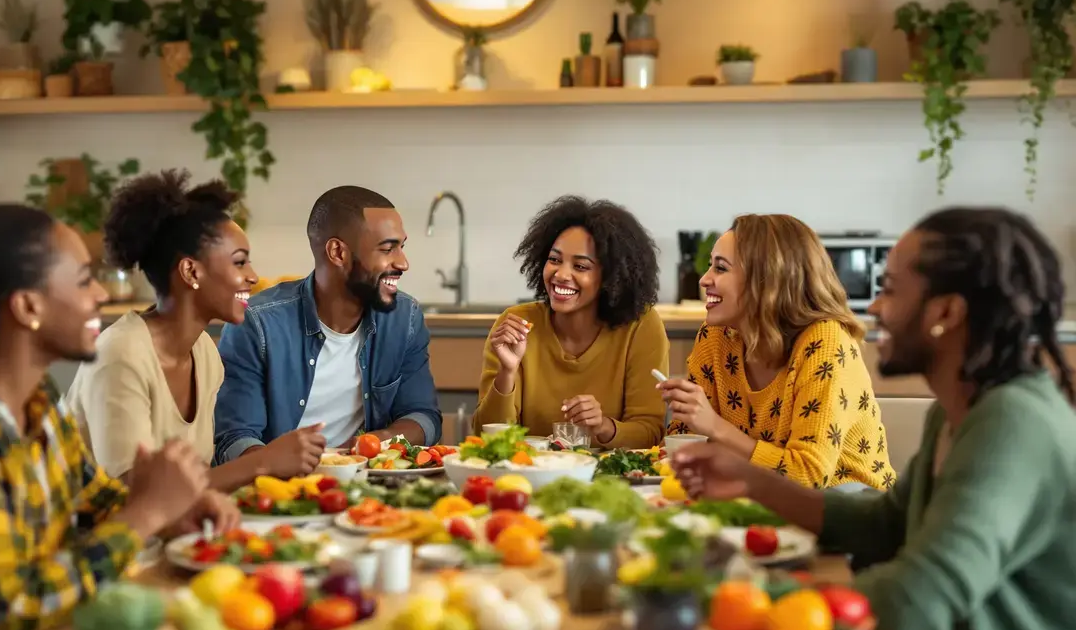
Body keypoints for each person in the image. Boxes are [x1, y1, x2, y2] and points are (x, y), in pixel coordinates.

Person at [671, 207, 1076, 630]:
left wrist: (757, 600)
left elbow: (915, 601)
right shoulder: (956, 412)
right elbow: (886, 524)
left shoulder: (1012, 426)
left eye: (891, 290)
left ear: (946, 311)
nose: (875, 308)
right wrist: (751, 480)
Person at [0, 205, 238, 630]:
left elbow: (95, 501)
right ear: (28, 306)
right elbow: (2, 616)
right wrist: (145, 515)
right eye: (84, 279)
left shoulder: (36, 401)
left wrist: (174, 508)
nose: (101, 294)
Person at [66, 170, 293, 493]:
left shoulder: (204, 351)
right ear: (191, 271)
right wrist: (263, 462)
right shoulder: (120, 354)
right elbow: (136, 496)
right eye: (240, 262)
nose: (253, 277)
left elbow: (196, 481)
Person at [659, 214, 892, 490]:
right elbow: (685, 439)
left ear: (766, 279)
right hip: (754, 492)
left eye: (720, 268)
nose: (703, 280)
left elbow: (809, 476)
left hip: (848, 505)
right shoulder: (715, 336)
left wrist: (716, 428)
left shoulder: (826, 342)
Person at [214, 186, 442, 466]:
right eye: (387, 248)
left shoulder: (404, 317)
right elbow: (235, 439)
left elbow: (423, 416)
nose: (403, 263)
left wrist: (374, 443)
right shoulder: (257, 324)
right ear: (338, 252)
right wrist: (288, 469)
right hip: (280, 489)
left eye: (401, 247)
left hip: (371, 484)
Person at [471, 196, 669, 448]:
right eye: (554, 260)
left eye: (580, 266)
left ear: (611, 276)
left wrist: (603, 426)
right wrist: (507, 372)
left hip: (611, 480)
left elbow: (650, 432)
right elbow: (488, 438)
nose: (561, 275)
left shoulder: (641, 326)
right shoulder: (517, 324)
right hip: (529, 475)